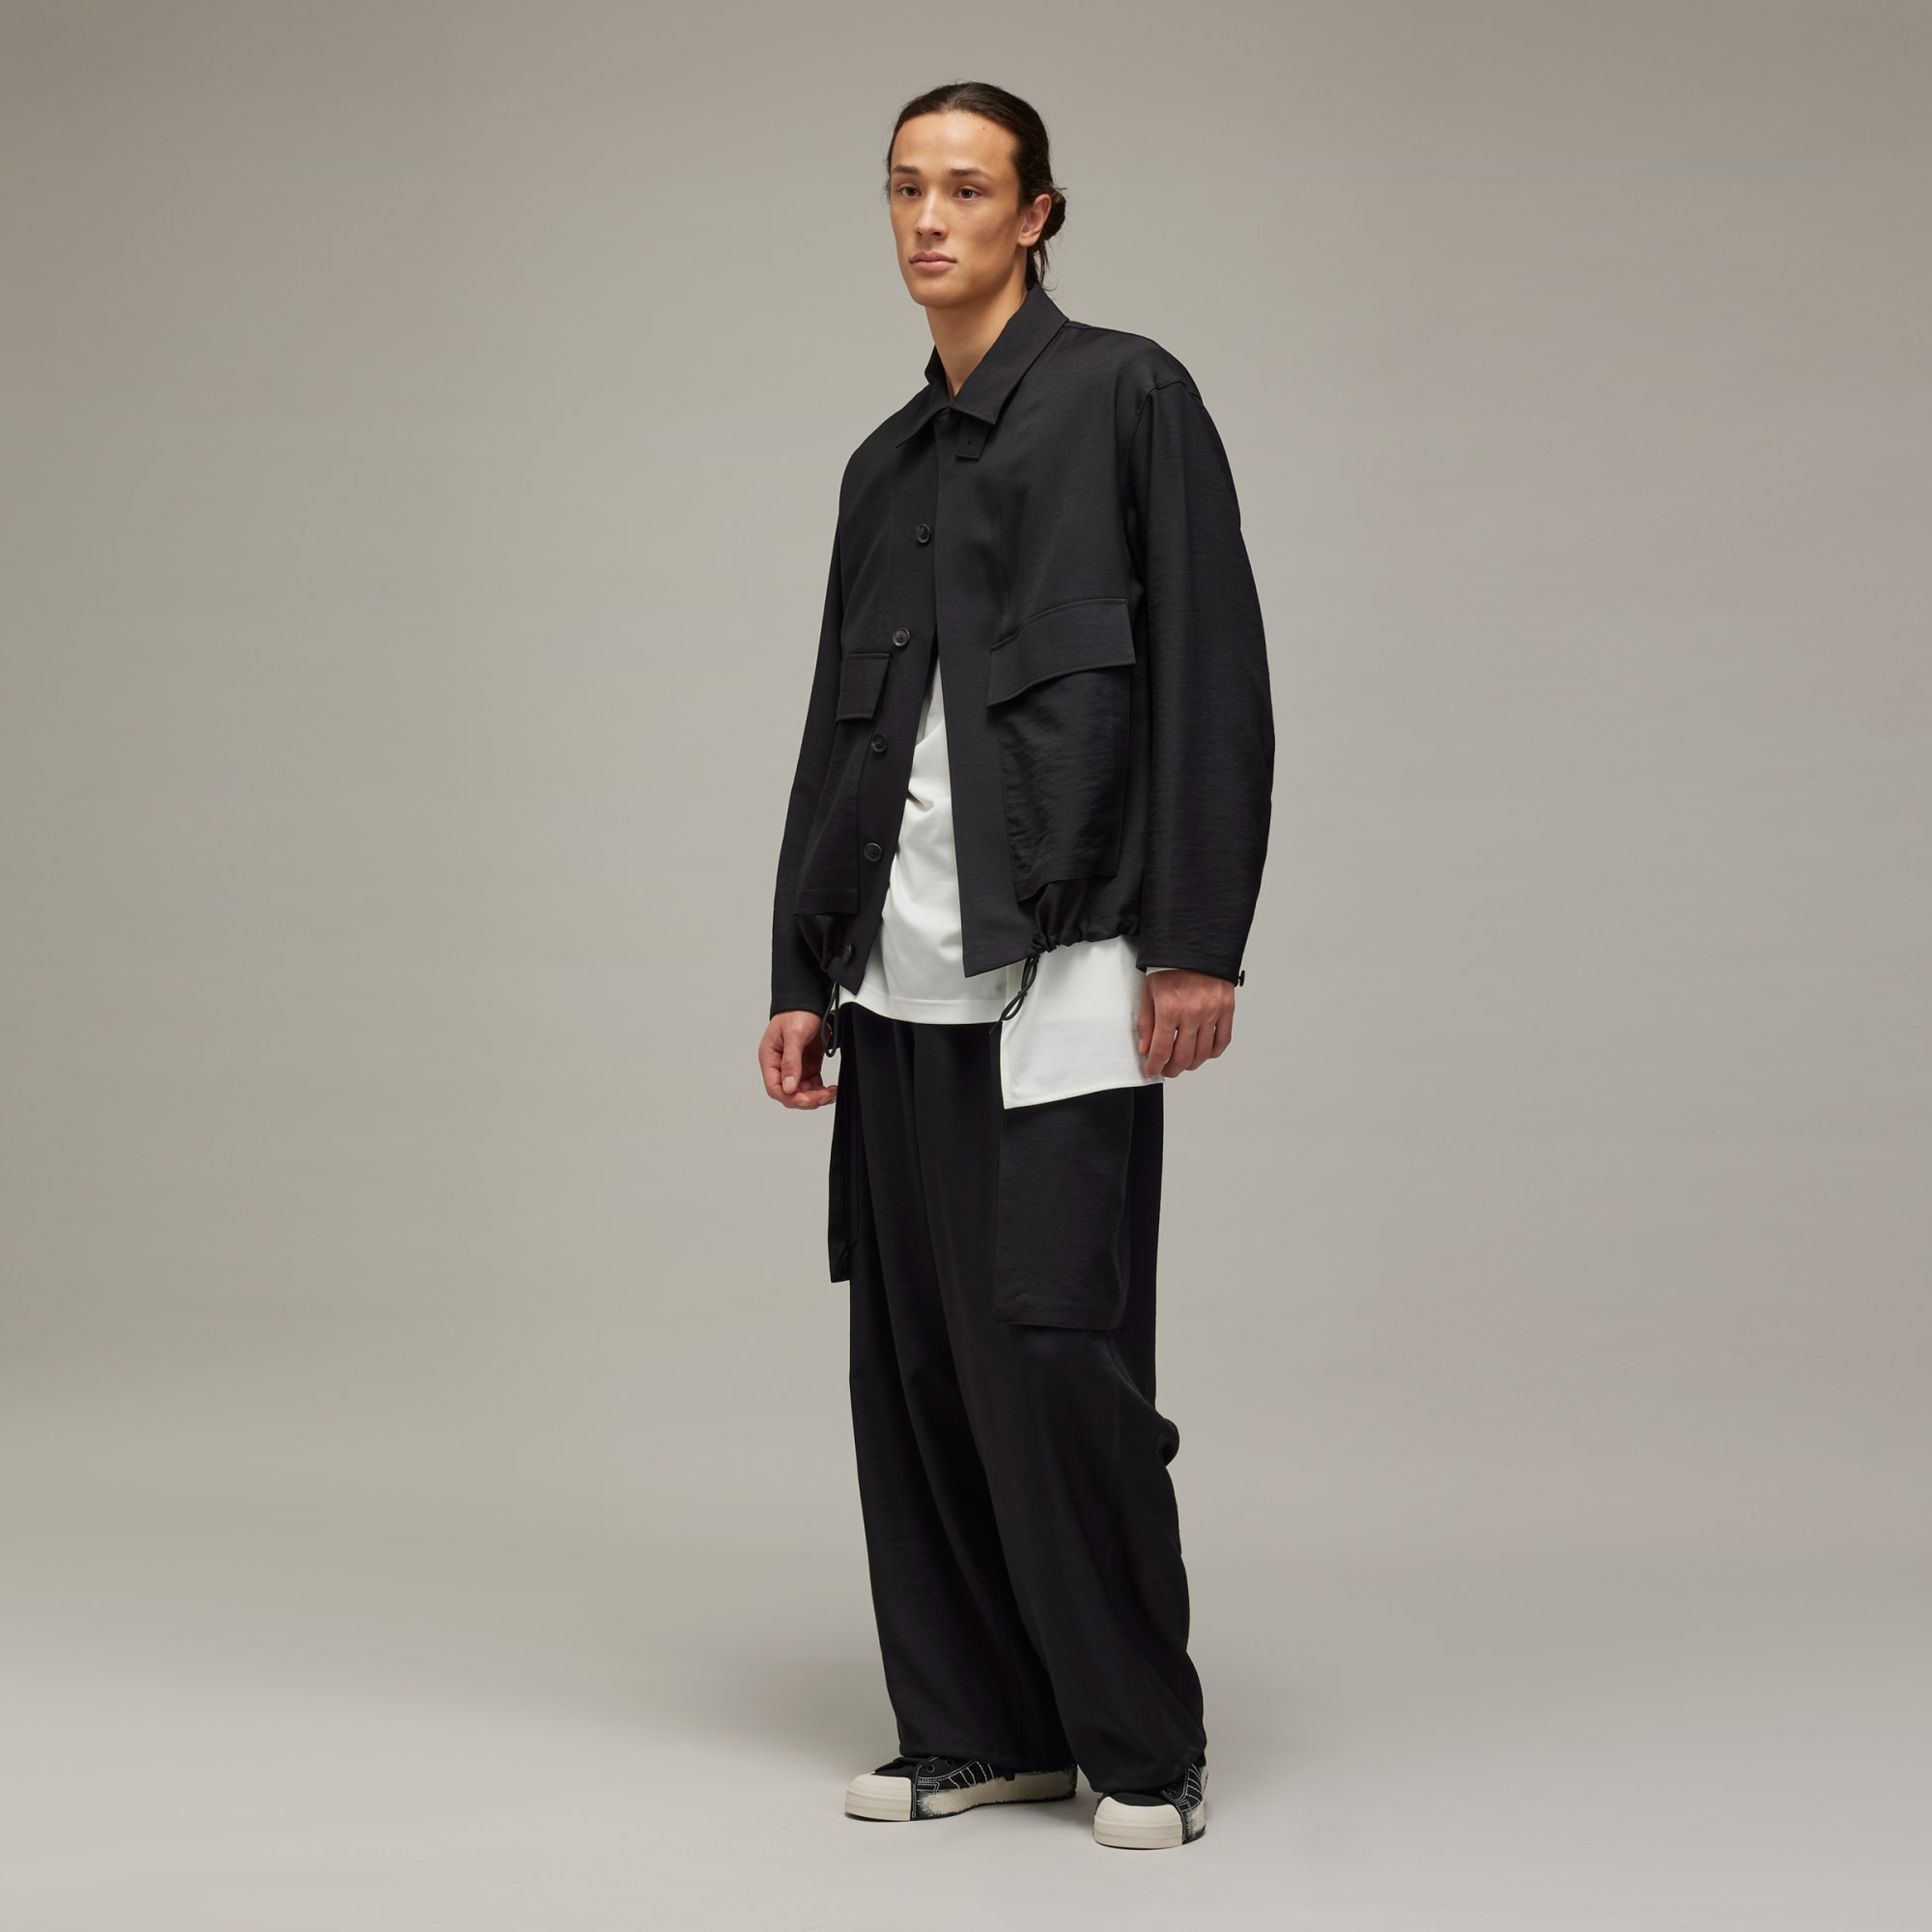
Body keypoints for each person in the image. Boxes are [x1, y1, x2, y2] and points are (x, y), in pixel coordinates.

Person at [757, 79, 1273, 1853]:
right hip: (893, 986)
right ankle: (975, 1732)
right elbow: (834, 742)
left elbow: (1212, 678)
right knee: (914, 1370)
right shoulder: (880, 469)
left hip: (1070, 967)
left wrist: (1197, 939)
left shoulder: (1131, 397)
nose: (930, 220)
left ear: (1039, 213)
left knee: (1060, 1356)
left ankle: (1140, 1741)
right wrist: (799, 969)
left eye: (969, 189)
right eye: (906, 187)